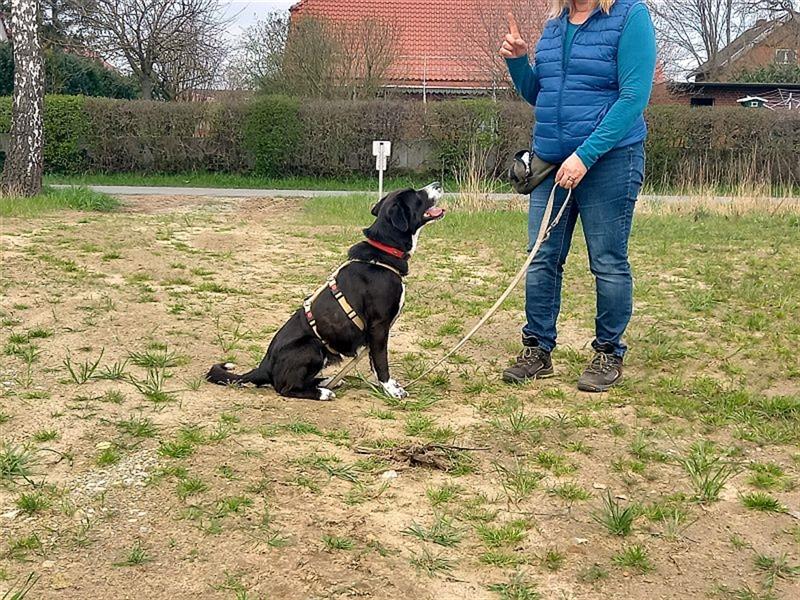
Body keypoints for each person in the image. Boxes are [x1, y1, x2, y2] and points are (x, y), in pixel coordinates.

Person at [499, 0, 656, 392]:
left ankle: (608, 352)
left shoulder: (630, 16)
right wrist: (519, 63)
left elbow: (633, 98)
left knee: (607, 261)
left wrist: (585, 155)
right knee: (540, 259)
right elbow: (544, 94)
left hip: (611, 160)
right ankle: (537, 348)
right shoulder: (555, 26)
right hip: (552, 163)